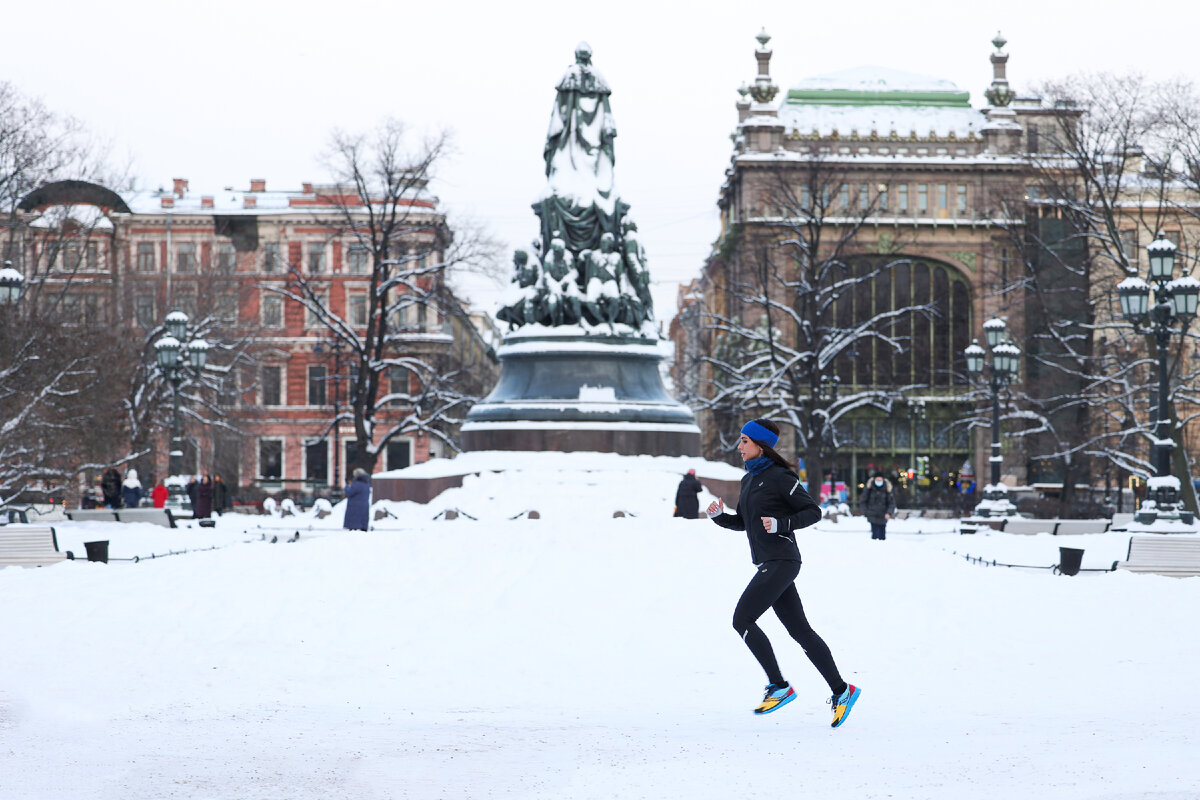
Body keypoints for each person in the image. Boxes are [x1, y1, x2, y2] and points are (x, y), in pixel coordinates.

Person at [706, 418, 861, 728]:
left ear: (761, 446)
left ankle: (779, 686)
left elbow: (812, 511)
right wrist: (720, 517)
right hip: (768, 563)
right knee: (800, 631)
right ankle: (843, 691)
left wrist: (782, 524)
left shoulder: (781, 477)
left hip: (782, 560)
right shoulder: (748, 480)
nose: (740, 447)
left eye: (745, 442)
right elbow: (745, 523)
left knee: (742, 619)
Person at [860, 471, 896, 541]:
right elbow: (863, 501)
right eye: (877, 480)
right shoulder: (869, 489)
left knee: (882, 536)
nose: (879, 481)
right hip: (872, 515)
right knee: (874, 536)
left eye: (880, 480)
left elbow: (891, 503)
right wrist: (866, 512)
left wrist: (889, 513)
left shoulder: (887, 489)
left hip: (883, 515)